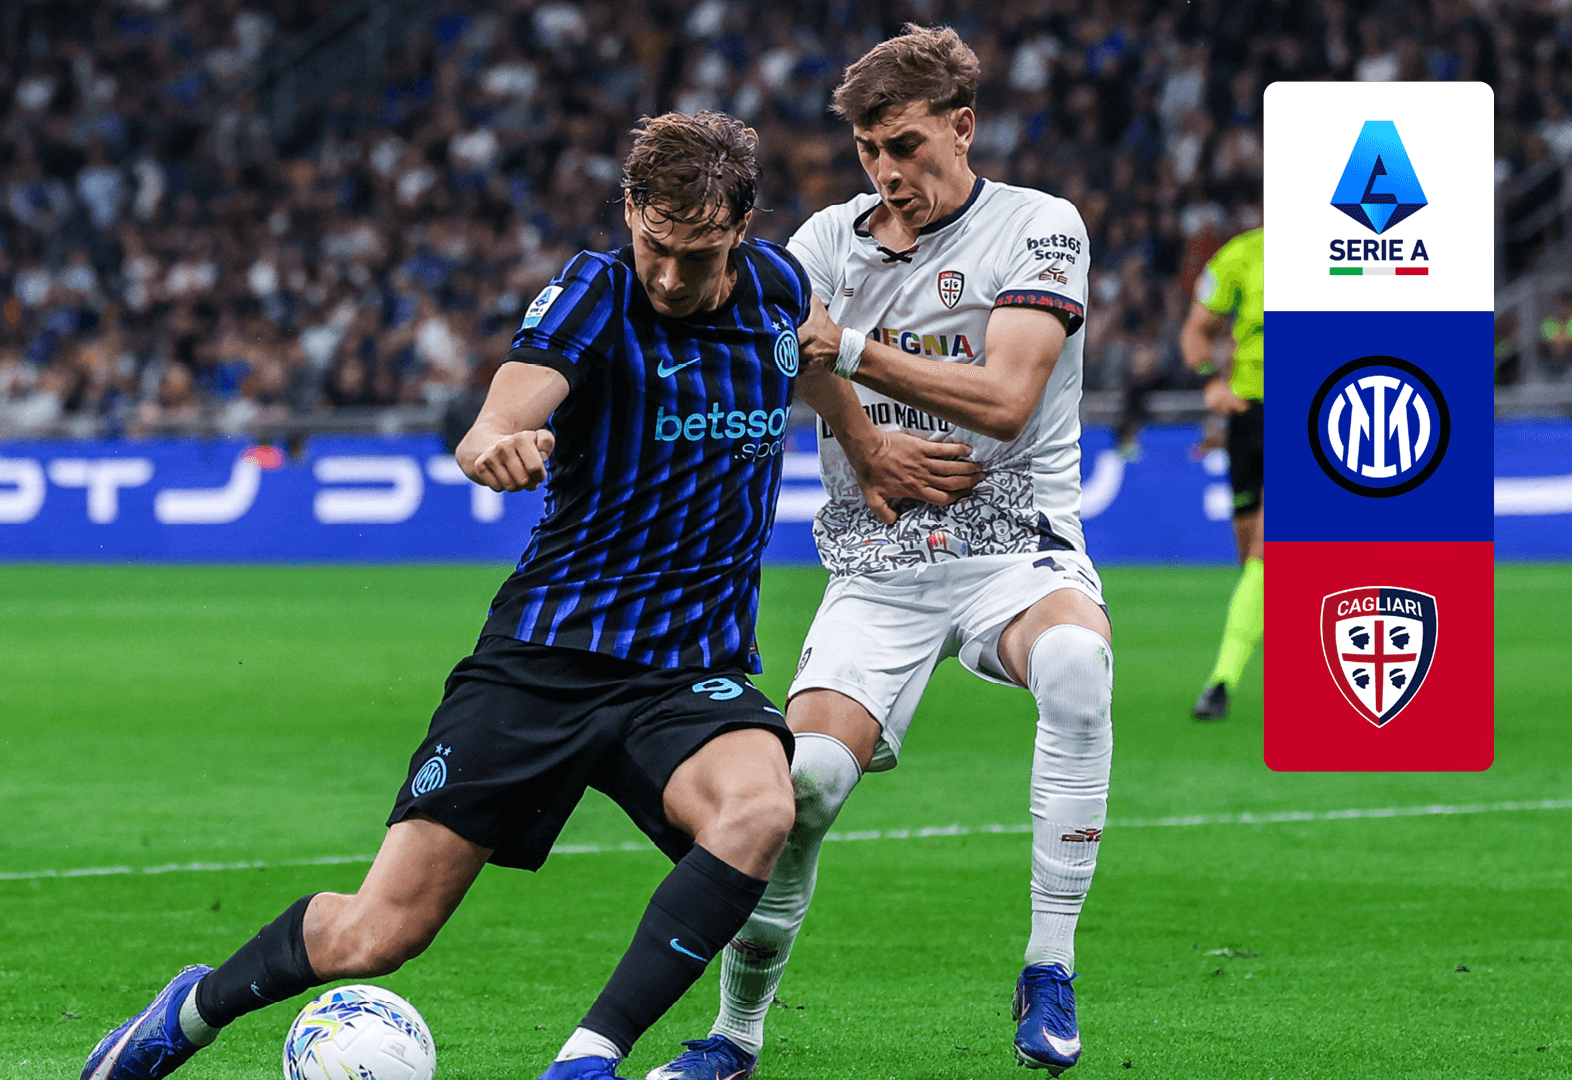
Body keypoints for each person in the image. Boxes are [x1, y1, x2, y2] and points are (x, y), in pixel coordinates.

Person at [79, 110, 974, 1080]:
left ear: (743, 229)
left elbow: (806, 358)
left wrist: (867, 445)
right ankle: (190, 1012)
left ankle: (587, 1059)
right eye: (657, 247)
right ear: (630, 212)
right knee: (379, 933)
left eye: (699, 255)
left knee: (761, 808)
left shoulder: (776, 286)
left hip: (685, 672)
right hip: (546, 658)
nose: (672, 278)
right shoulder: (597, 292)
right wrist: (494, 447)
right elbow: (499, 414)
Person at [652, 25, 1111, 1080]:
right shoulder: (826, 240)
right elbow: (789, 348)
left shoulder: (1039, 227)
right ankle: (735, 1035)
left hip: (1015, 546)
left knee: (1077, 663)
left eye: (905, 145)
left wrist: (855, 350)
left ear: (962, 126)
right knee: (804, 784)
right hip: (880, 561)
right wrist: (862, 442)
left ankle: (1049, 967)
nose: (887, 171)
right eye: (868, 150)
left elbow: (1007, 399)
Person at [1180, 224, 1264, 721]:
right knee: (1250, 555)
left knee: (1267, 550)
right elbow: (1196, 329)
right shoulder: (1242, 255)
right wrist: (1211, 383)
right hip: (1250, 419)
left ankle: (1220, 683)